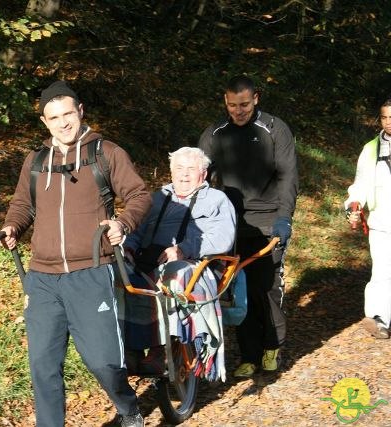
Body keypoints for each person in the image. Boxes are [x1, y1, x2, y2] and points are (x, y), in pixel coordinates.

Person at [0, 80, 151, 427]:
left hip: (92, 273)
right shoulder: (36, 161)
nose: (63, 123)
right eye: (54, 117)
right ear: (44, 122)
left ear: (80, 112)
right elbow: (22, 204)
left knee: (103, 362)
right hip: (42, 279)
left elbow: (140, 195)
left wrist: (123, 224)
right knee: (43, 366)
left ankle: (128, 409)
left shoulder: (106, 153)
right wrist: (12, 227)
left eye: (68, 114)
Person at [198, 75, 298, 378]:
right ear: (225, 102)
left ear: (256, 98)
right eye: (232, 105)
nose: (238, 111)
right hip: (229, 223)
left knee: (264, 288)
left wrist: (285, 217)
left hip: (268, 221)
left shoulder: (274, 128)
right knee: (236, 291)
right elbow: (198, 174)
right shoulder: (215, 133)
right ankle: (249, 354)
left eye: (243, 104)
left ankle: (272, 347)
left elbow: (288, 176)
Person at [122, 147, 236, 380]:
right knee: (117, 276)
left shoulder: (217, 200)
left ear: (203, 174)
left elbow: (223, 237)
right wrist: (130, 247)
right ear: (171, 172)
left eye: (191, 169)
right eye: (179, 168)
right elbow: (137, 228)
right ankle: (129, 348)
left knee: (174, 276)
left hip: (196, 263)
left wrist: (184, 249)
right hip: (149, 258)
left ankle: (161, 350)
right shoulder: (156, 198)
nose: (184, 175)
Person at [344, 97, 391, 339]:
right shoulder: (371, 149)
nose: (388, 122)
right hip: (381, 222)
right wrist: (354, 205)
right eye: (384, 117)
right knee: (382, 270)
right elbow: (360, 184)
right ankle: (378, 318)